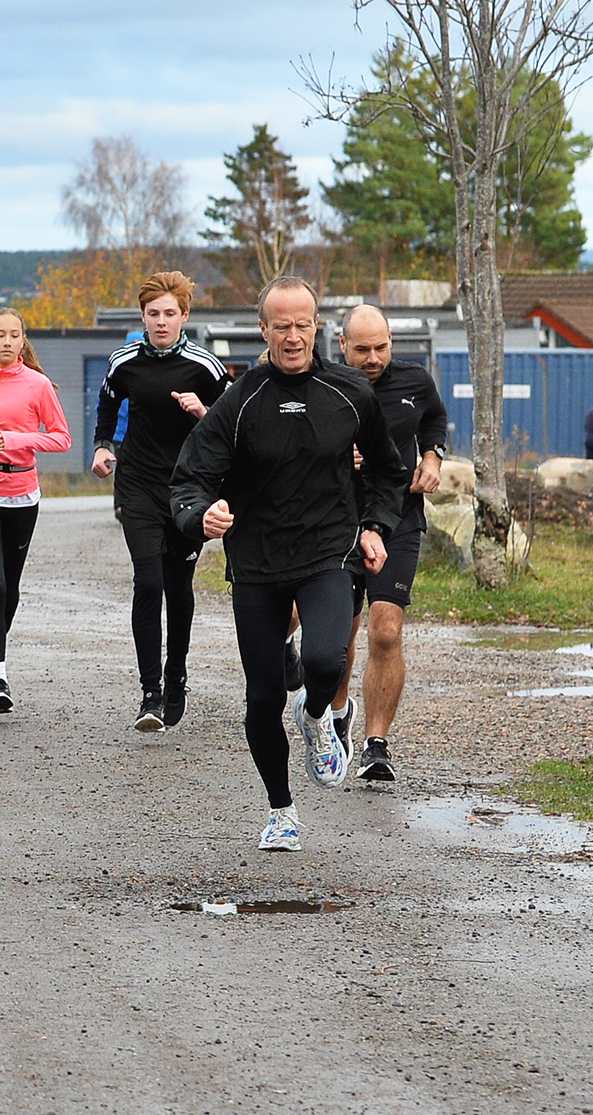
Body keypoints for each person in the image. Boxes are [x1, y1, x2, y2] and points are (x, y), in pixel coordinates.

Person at [172, 276, 409, 852]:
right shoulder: (241, 398)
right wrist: (201, 515)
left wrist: (376, 527)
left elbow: (386, 470)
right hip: (256, 560)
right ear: (265, 331)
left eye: (303, 324)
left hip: (328, 551)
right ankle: (281, 810)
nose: (295, 336)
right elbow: (190, 478)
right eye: (282, 326)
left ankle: (316, 715)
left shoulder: (349, 391)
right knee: (260, 696)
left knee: (327, 657)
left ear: (317, 326)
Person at [92, 271, 230, 731]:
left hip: (189, 489)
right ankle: (150, 692)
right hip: (138, 485)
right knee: (148, 581)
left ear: (184, 315)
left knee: (178, 584)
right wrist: (103, 446)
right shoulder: (123, 362)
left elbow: (235, 424)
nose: (161, 322)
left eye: (170, 313)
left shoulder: (205, 366)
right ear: (143, 317)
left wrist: (202, 411)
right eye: (153, 314)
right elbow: (108, 405)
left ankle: (176, 674)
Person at [331, 304, 448, 783]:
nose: (373, 358)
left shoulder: (415, 380)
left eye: (381, 347)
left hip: (398, 517)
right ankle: (337, 714)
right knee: (339, 638)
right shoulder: (325, 385)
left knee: (385, 630)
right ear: (342, 346)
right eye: (362, 349)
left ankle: (376, 744)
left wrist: (434, 456)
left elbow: (435, 418)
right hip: (335, 521)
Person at [0, 307, 70, 714]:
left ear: (23, 341)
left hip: (23, 492)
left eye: (14, 335)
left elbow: (61, 439)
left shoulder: (38, 386)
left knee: (12, 588)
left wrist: (22, 439)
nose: (7, 341)